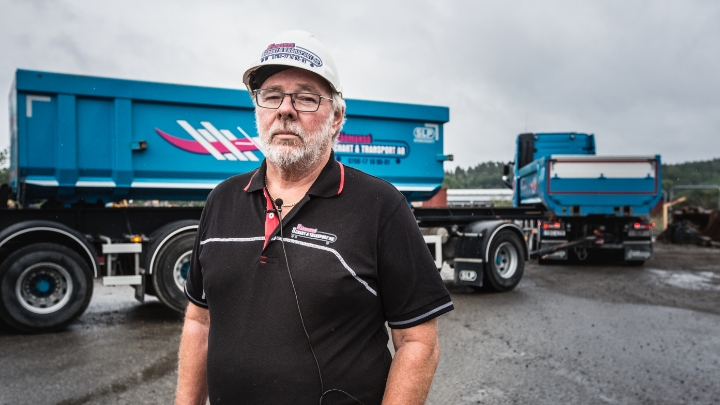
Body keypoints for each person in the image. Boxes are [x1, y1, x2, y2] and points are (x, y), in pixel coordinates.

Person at [176, 30, 453, 405]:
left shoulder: (380, 206)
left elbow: (418, 342)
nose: (285, 109)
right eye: (272, 96)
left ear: (336, 118)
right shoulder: (222, 200)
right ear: (258, 110)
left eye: (306, 98)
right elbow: (199, 321)